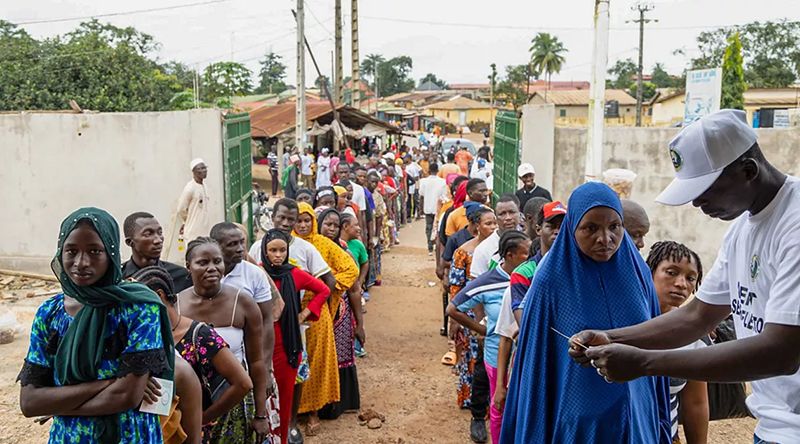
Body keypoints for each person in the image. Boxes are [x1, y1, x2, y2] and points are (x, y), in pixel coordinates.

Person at [572, 109, 800, 444]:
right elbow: (697, 316)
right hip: (774, 428)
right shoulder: (742, 229)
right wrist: (613, 337)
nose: (697, 203)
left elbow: (781, 352)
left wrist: (646, 363)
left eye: (705, 189)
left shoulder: (794, 225)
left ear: (748, 171)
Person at [500, 182, 670, 443]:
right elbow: (537, 368)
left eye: (614, 226)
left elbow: (654, 343)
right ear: (572, 228)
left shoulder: (638, 274)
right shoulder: (550, 282)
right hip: (577, 426)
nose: (605, 239)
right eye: (590, 228)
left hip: (638, 419)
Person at [18, 208, 175, 443]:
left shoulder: (137, 308)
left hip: (129, 435)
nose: (81, 263)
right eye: (71, 251)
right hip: (69, 437)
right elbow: (30, 402)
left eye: (94, 251)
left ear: (110, 253)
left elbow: (126, 397)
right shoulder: (50, 313)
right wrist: (110, 383)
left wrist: (58, 406)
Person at [132, 266, 249, 444]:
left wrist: (203, 418)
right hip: (161, 431)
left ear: (159, 296)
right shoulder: (145, 337)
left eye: (138, 303)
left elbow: (243, 383)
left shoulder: (200, 335)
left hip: (195, 433)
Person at [177, 237, 271, 443]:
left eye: (217, 261)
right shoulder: (176, 306)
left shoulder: (243, 302)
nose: (212, 268)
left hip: (234, 400)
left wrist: (261, 414)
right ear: (188, 267)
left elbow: (256, 362)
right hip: (190, 404)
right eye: (203, 262)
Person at [448, 231, 531, 444]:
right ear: (510, 255)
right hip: (497, 356)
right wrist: (484, 330)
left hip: (523, 356)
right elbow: (453, 308)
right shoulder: (488, 281)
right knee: (499, 406)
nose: (530, 257)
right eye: (526, 253)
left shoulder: (529, 278)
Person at [491, 201, 566, 416]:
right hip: (536, 359)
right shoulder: (524, 273)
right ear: (539, 228)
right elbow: (527, 324)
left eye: (562, 226)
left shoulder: (577, 269)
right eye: (551, 225)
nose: (557, 231)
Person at [292, 202, 358, 435]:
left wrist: (326, 288)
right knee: (294, 359)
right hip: (289, 311)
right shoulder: (284, 244)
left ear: (313, 221)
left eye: (307, 220)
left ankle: (313, 411)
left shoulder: (322, 244)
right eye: (298, 220)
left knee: (317, 361)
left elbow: (351, 269)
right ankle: (293, 412)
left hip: (318, 311)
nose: (302, 225)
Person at [260, 229, 330, 444]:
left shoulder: (294, 274)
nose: (278, 255)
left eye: (282, 250)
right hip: (260, 345)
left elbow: (323, 290)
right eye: (273, 250)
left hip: (287, 345)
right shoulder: (257, 273)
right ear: (264, 251)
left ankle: (282, 438)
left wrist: (304, 314)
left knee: (285, 398)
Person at [645, 241, 710, 444]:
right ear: (649, 272)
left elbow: (696, 404)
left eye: (690, 278)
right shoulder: (622, 324)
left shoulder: (693, 335)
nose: (682, 284)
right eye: (671, 273)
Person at [448, 204, 497, 444]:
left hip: (492, 311)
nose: (493, 227)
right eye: (488, 223)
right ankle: (473, 402)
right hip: (470, 312)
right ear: (477, 226)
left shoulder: (500, 249)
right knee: (473, 359)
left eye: (494, 223)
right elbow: (456, 287)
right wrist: (455, 321)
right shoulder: (464, 251)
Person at [210, 223, 276, 398]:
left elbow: (267, 321)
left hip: (247, 360)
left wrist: (266, 368)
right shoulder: (205, 273)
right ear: (216, 245)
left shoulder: (254, 274)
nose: (240, 249)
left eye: (241, 242)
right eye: (232, 244)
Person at [317, 211, 365, 419]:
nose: (331, 229)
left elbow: (354, 289)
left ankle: (339, 402)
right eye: (327, 224)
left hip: (341, 311)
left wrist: (359, 324)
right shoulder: (308, 249)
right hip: (315, 311)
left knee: (341, 354)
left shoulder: (344, 251)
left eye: (335, 226)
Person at [122, 211, 193, 292]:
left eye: (160, 233)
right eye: (148, 234)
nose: (158, 240)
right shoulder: (118, 278)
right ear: (130, 242)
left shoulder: (181, 276)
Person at [470, 194, 521, 279]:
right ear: (495, 218)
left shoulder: (529, 242)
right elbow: (477, 282)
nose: (508, 217)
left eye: (512, 212)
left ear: (519, 213)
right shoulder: (483, 250)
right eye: (502, 214)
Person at [178, 158, 211, 244]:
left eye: (205, 168)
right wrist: (187, 220)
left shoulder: (204, 186)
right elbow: (181, 209)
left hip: (205, 230)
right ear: (194, 172)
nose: (204, 170)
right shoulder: (190, 188)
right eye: (200, 169)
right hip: (193, 232)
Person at [419, 163, 448, 254]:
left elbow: (421, 193)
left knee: (429, 226)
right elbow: (444, 196)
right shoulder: (443, 182)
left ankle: (430, 246)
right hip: (439, 208)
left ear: (429, 171)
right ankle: (436, 245)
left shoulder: (424, 181)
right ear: (438, 171)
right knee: (437, 227)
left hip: (428, 207)